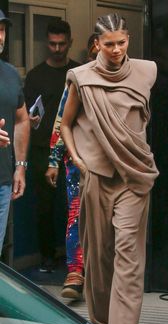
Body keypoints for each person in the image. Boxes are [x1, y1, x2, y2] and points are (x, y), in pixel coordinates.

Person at [61, 13, 158, 324]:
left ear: (128, 38)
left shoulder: (147, 71)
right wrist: (77, 159)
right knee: (100, 258)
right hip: (97, 178)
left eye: (121, 42)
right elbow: (65, 123)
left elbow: (138, 121)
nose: (116, 49)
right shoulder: (81, 77)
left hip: (133, 178)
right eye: (109, 44)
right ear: (97, 44)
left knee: (129, 254)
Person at [45, 35, 98, 299]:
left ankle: (101, 274)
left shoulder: (128, 77)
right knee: (77, 213)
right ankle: (75, 272)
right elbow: (61, 120)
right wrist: (54, 161)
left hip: (114, 161)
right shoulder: (77, 79)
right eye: (97, 50)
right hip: (78, 159)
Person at [24, 19, 79, 272]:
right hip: (41, 149)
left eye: (62, 44)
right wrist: (31, 120)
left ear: (69, 43)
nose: (57, 49)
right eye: (53, 44)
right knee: (44, 206)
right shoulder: (35, 75)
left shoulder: (78, 73)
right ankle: (47, 256)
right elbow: (23, 115)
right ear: (47, 43)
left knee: (74, 205)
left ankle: (74, 258)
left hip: (73, 148)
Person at [0, 9, 30, 257]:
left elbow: (21, 118)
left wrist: (20, 164)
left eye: (0, 30)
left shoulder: (10, 74)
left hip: (2, 181)